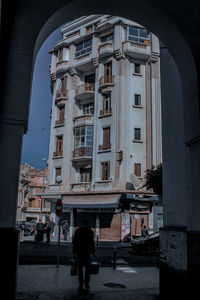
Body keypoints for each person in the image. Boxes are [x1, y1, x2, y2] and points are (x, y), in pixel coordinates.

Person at [73, 220, 95, 291]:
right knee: (88, 269)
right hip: (87, 252)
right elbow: (92, 242)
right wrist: (93, 252)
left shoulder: (78, 231)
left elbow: (74, 242)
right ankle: (87, 283)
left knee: (80, 269)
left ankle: (81, 283)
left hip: (79, 252)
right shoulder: (90, 231)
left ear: (82, 224)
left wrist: (74, 252)